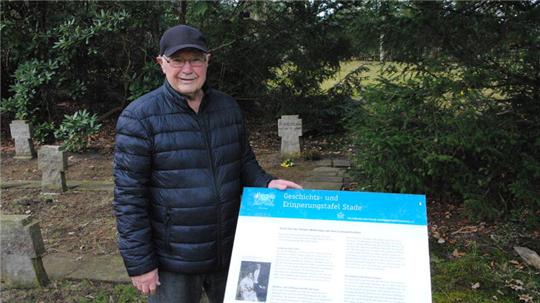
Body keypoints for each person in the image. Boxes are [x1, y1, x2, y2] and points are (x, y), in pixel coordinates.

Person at [113, 24, 302, 303]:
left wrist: (266, 182)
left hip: (229, 250)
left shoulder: (227, 108)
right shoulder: (139, 118)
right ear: (161, 63)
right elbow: (129, 199)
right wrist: (141, 264)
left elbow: (243, 161)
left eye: (196, 59)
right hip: (174, 260)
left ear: (208, 60)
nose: (187, 69)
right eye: (177, 60)